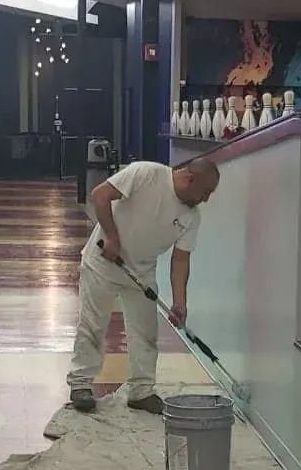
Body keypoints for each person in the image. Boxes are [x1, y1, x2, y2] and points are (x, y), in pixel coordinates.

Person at [68, 156, 220, 415]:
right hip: (102, 263)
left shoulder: (192, 217)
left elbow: (180, 260)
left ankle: (142, 391)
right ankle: (81, 384)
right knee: (93, 326)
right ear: (189, 179)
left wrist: (179, 302)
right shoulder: (145, 174)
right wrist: (112, 238)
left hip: (141, 273)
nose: (205, 199)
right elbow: (100, 195)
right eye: (205, 192)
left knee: (145, 335)